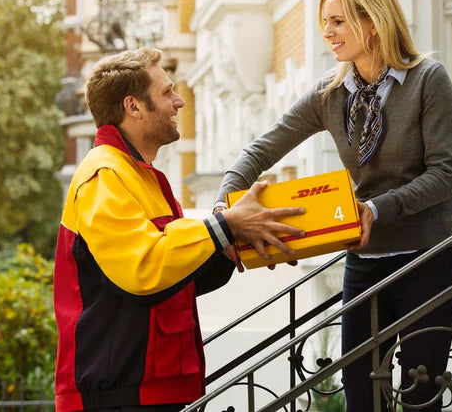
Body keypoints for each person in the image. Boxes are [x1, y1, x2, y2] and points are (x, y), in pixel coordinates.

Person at [214, 0, 452, 411]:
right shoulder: (330, 92)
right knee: (361, 395)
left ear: (374, 22)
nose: (327, 32)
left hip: (426, 257)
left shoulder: (427, 79)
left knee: (421, 395)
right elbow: (263, 148)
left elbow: (445, 174)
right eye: (324, 23)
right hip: (364, 261)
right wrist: (225, 208)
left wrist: (376, 209)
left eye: (338, 21)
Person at [53, 48, 306, 412]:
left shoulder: (139, 175)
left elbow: (173, 279)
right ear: (133, 106)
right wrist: (223, 226)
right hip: (120, 397)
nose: (179, 101)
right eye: (167, 92)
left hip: (156, 387)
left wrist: (225, 247)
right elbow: (143, 269)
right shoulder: (103, 176)